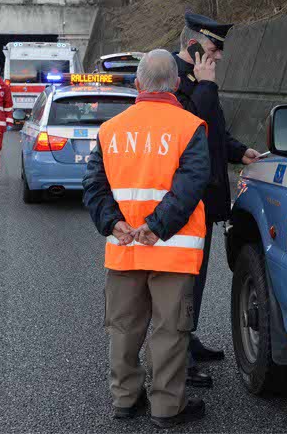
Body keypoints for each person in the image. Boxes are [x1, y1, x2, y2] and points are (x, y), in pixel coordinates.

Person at [82, 49, 211, 429]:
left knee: (123, 327)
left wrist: (113, 223)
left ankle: (125, 398)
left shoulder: (111, 130)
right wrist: (156, 226)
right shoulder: (191, 127)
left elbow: (94, 185)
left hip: (124, 249)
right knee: (169, 330)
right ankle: (166, 407)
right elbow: (189, 187)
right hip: (172, 251)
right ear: (175, 84)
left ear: (137, 85)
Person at [173, 12, 260, 387]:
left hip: (203, 201)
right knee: (181, 280)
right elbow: (192, 128)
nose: (219, 57)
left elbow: (215, 134)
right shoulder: (173, 81)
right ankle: (176, 357)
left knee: (198, 276)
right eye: (213, 48)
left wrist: (240, 152)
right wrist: (206, 87)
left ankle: (186, 341)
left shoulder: (198, 79)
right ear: (192, 45)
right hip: (184, 203)